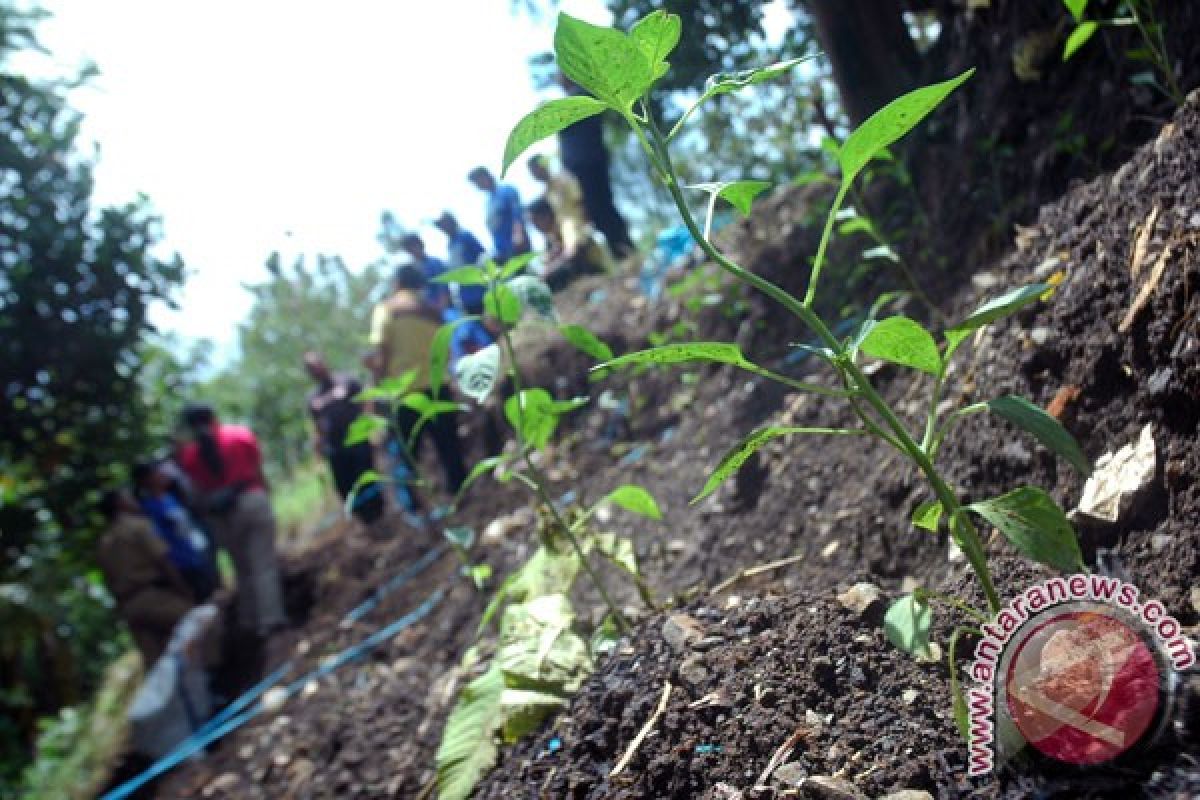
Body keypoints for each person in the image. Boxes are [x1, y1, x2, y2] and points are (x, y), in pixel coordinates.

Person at [177, 404, 286, 638]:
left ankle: (248, 621)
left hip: (222, 515)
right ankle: (270, 619)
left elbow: (196, 491)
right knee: (263, 565)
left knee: (242, 569)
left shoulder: (188, 456)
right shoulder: (239, 435)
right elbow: (257, 468)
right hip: (251, 500)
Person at [369, 265, 468, 508]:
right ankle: (463, 499)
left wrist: (377, 392)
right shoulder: (433, 312)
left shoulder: (386, 310)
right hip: (438, 387)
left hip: (405, 394)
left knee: (408, 457)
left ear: (397, 283)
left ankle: (418, 509)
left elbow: (381, 354)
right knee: (450, 449)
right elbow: (446, 348)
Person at [96, 489, 196, 665]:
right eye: (129, 497)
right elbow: (163, 561)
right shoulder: (137, 526)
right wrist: (183, 590)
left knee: (158, 664)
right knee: (199, 624)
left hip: (130, 606)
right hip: (153, 597)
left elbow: (110, 582)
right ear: (121, 504)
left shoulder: (104, 543)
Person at [302, 351, 385, 525]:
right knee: (346, 487)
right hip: (335, 450)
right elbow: (317, 428)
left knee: (368, 480)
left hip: (359, 442)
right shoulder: (312, 398)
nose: (316, 369)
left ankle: (381, 517)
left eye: (317, 363)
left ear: (324, 362)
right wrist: (318, 456)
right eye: (311, 367)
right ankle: (365, 523)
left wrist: (372, 429)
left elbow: (367, 403)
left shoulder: (347, 381)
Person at [557, 75, 634, 258]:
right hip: (585, 166)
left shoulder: (579, 100)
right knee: (599, 210)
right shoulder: (575, 101)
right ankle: (621, 250)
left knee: (602, 209)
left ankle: (623, 249)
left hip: (588, 165)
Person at [133, 459, 218, 602]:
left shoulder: (171, 498)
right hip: (182, 565)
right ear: (147, 480)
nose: (162, 474)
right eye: (157, 472)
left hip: (196, 556)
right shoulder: (148, 509)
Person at [526, 196, 612, 291]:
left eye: (535, 221)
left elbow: (573, 252)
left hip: (597, 269)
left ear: (545, 215)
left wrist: (548, 271)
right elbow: (548, 261)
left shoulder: (567, 226)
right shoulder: (550, 239)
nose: (535, 227)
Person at [467, 166, 530, 264]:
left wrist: (518, 235)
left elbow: (517, 214)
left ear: (486, 176)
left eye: (477, 181)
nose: (477, 186)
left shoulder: (507, 191)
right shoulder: (488, 204)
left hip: (517, 246)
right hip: (503, 252)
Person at [433, 211, 488, 314]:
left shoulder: (465, 236)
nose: (442, 228)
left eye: (444, 223)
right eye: (440, 225)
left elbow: (483, 256)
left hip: (480, 290)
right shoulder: (450, 245)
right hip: (465, 296)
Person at [528, 153, 587, 245]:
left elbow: (580, 201)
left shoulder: (564, 179)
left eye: (534, 170)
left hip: (578, 227)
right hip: (564, 234)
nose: (533, 174)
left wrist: (585, 225)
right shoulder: (545, 194)